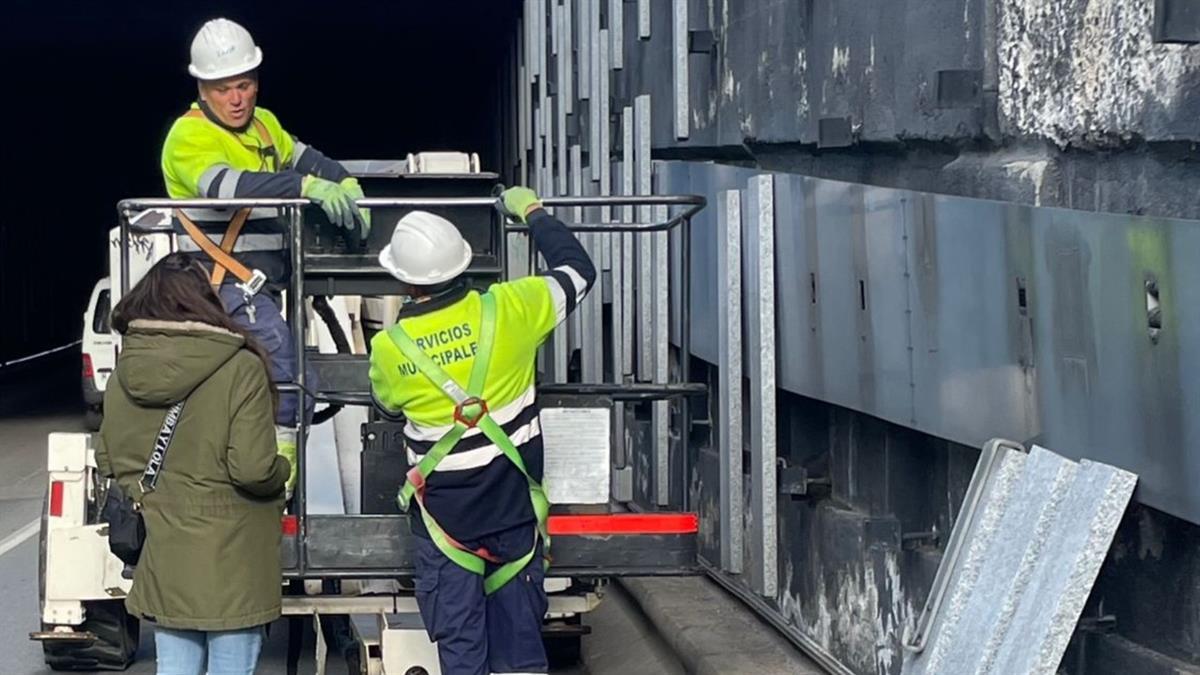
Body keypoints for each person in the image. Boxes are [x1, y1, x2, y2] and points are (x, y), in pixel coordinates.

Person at [368, 187, 595, 675]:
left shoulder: (390, 347)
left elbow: (386, 405)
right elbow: (578, 270)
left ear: (404, 281)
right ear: (464, 262)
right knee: (520, 658)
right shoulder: (513, 307)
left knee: (461, 658)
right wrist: (531, 211)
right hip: (513, 513)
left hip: (445, 526)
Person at [160, 17, 371, 492]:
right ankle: (274, 478)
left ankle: (267, 463)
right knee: (292, 377)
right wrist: (306, 187)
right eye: (223, 89)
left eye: (245, 85)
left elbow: (305, 157)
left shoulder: (264, 125)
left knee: (291, 378)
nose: (237, 99)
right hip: (220, 286)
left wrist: (342, 180)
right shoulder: (187, 138)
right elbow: (229, 188)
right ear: (201, 87)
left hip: (262, 286)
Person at [96, 253, 291, 675]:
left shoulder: (123, 373)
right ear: (205, 301)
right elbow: (253, 469)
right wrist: (283, 473)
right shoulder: (241, 367)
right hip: (235, 554)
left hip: (166, 548)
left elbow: (109, 458)